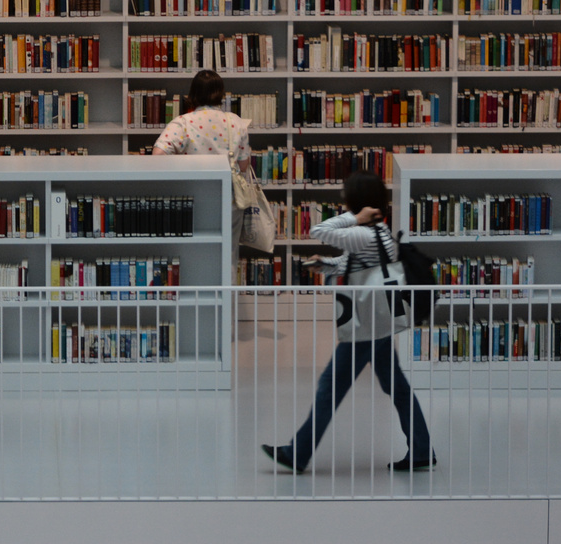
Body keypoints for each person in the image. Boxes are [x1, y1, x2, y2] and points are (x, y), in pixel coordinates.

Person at [264, 170, 435, 473]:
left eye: (346, 197)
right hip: (380, 321)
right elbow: (359, 262)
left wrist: (354, 219)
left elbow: (319, 229)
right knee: (397, 388)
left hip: (364, 326)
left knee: (330, 387)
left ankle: (298, 453)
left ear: (358, 201)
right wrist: (327, 264)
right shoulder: (380, 231)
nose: (343, 201)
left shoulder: (363, 231)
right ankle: (421, 449)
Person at [151, 69, 252, 248]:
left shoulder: (183, 122)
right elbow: (243, 166)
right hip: (229, 199)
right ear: (221, 94)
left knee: (193, 251)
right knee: (228, 253)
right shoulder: (236, 122)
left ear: (193, 93)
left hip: (193, 198)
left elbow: (158, 156)